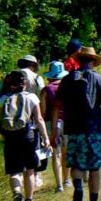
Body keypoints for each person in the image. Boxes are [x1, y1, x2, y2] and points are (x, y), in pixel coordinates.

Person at [56, 46, 101, 201]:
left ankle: (78, 189)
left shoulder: (67, 80)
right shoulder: (100, 80)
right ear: (93, 61)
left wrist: (55, 131)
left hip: (74, 130)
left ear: (78, 60)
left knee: (76, 164)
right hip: (95, 130)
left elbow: (57, 107)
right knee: (94, 168)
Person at [0, 70, 50, 201]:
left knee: (14, 171)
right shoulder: (32, 97)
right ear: (25, 84)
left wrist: (4, 137)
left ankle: (16, 192)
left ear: (10, 85)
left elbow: (1, 121)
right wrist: (45, 138)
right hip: (28, 136)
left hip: (10, 138)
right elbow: (39, 119)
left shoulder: (3, 99)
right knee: (30, 171)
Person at [40, 60, 69, 191]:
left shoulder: (46, 90)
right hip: (68, 122)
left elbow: (43, 111)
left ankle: (59, 185)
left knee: (56, 154)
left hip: (52, 123)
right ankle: (67, 180)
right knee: (66, 152)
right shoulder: (69, 87)